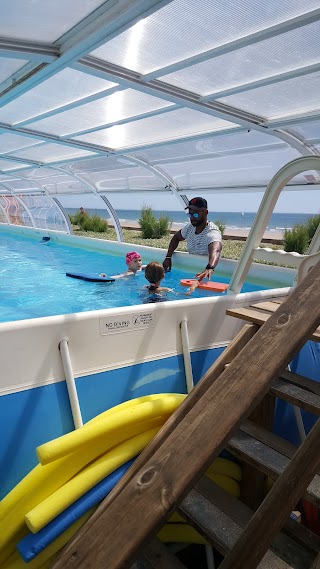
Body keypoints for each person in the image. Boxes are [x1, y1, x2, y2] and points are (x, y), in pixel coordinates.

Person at [163, 197, 222, 281]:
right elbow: (176, 238)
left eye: (195, 214)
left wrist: (210, 267)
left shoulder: (212, 232)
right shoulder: (190, 228)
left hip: (207, 275)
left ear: (205, 212)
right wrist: (168, 257)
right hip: (193, 273)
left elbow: (216, 250)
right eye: (190, 214)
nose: (192, 218)